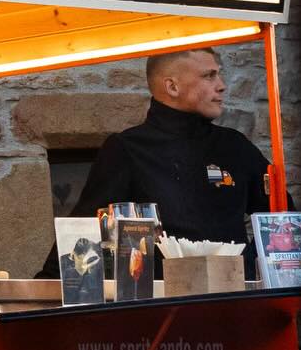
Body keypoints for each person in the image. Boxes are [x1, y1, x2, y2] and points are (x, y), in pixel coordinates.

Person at [45, 47, 275, 272]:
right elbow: (86, 229)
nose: (221, 85)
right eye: (209, 76)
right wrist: (47, 288)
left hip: (236, 298)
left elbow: (282, 220)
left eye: (218, 73)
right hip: (161, 301)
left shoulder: (234, 146)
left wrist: (250, 267)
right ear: (172, 86)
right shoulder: (129, 148)